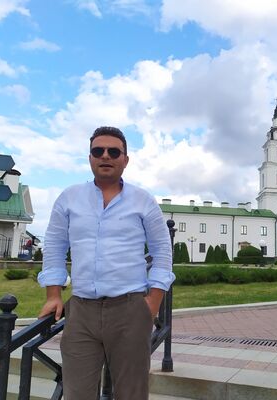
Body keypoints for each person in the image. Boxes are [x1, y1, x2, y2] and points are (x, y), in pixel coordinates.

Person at [38, 126, 174, 400]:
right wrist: (53, 295)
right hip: (81, 311)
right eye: (98, 151)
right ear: (90, 158)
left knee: (132, 393)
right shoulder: (69, 198)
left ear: (125, 159)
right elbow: (54, 245)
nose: (105, 156)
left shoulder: (143, 200)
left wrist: (153, 303)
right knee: (77, 393)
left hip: (130, 309)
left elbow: (162, 251)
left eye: (114, 151)